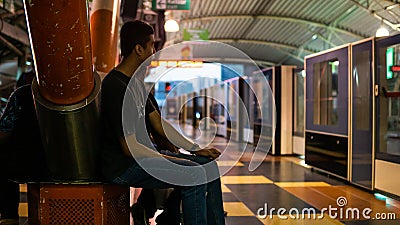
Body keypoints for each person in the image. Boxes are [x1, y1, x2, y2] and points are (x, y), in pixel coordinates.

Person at [100, 20, 225, 225]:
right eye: (152, 46)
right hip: (123, 167)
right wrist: (172, 159)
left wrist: (194, 149)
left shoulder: (136, 84)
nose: (154, 51)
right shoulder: (116, 86)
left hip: (143, 159)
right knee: (194, 175)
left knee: (208, 168)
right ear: (139, 49)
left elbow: (158, 124)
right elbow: (129, 148)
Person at [0, 71, 48, 225]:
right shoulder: (86, 95)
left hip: (26, 164)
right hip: (71, 167)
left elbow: (4, 131)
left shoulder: (22, 94)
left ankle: (9, 216)